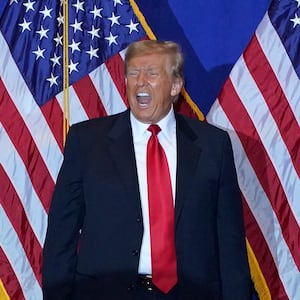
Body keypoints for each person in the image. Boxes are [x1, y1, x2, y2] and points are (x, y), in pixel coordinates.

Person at [42, 40, 252, 300]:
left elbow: (230, 242)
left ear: (176, 86)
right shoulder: (87, 141)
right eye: (133, 73)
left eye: (152, 73)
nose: (140, 82)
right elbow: (61, 233)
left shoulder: (213, 146)